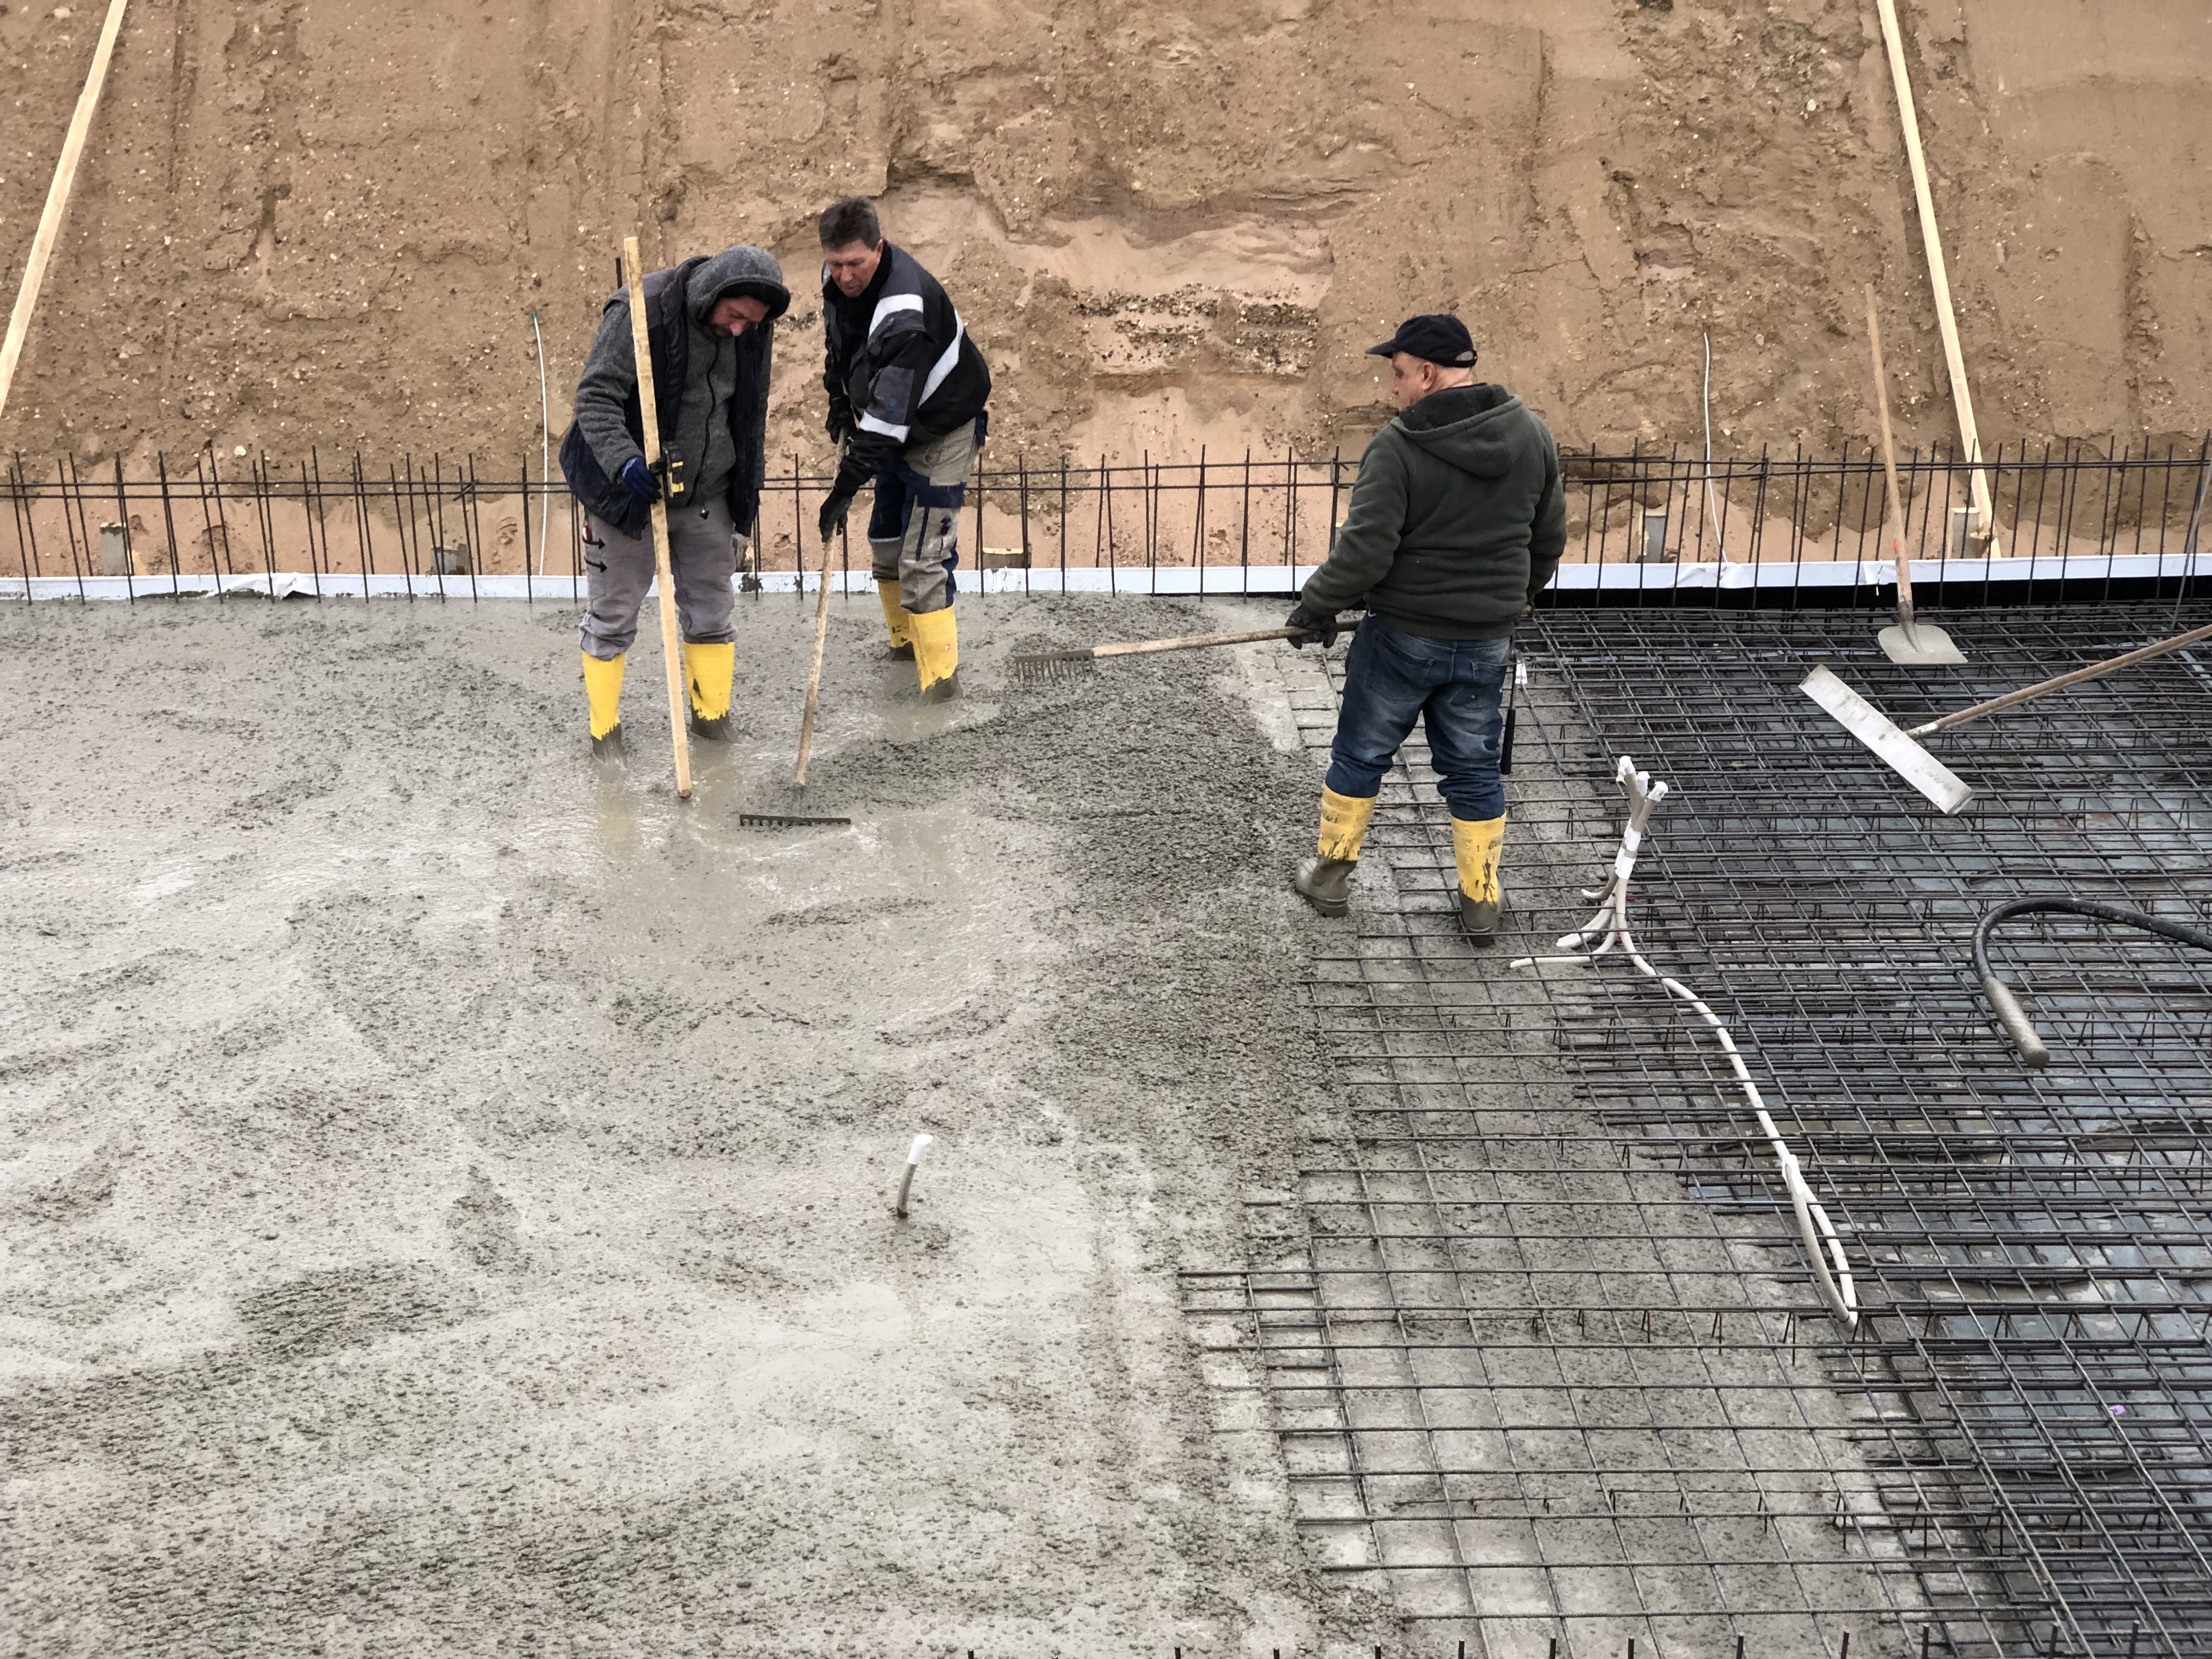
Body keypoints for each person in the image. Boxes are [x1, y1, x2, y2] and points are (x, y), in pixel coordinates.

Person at [1286, 313, 1564, 943]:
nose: (1393, 387)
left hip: (1403, 638)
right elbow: (1547, 539)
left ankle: (1329, 879)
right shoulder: (1533, 435)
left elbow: (1365, 551)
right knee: (1473, 769)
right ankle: (1481, 901)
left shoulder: (1399, 446)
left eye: (1399, 373)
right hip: (1487, 641)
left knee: (1361, 754)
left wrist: (1316, 607)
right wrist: (1511, 601)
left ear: (1429, 374)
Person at [560, 244, 789, 754]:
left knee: (712, 613)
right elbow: (595, 396)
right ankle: (605, 733)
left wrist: (744, 494)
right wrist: (625, 462)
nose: (740, 330)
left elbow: (749, 410)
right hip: (625, 492)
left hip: (708, 492)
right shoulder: (641, 312)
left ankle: (712, 721)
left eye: (751, 323)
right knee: (613, 615)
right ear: (712, 294)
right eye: (734, 316)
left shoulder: (750, 326)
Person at [812, 197, 992, 701]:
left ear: (879, 248)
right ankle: (904, 647)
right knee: (887, 542)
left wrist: (843, 489)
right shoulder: (835, 282)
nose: (845, 276)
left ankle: (940, 689)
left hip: (942, 425)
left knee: (923, 560)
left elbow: (887, 423)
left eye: (856, 263)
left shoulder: (904, 311)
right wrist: (838, 401)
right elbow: (838, 348)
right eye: (836, 263)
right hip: (893, 420)